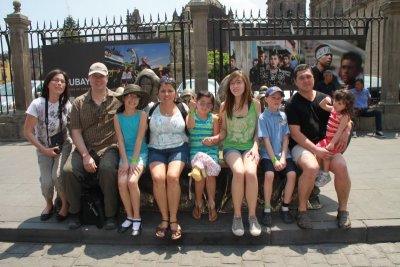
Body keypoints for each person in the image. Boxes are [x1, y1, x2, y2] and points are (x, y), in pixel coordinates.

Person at [285, 64, 352, 230]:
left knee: (342, 166)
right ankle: (302, 210)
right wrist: (316, 151)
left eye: (308, 76)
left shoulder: (326, 98)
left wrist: (347, 130)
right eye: (301, 77)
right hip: (303, 146)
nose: (306, 80)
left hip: (327, 145)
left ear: (314, 78)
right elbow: (295, 134)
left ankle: (342, 210)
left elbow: (345, 115)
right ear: (295, 81)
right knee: (311, 166)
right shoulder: (292, 103)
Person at [63, 62, 121, 230]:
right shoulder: (79, 103)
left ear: (107, 78)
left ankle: (111, 215)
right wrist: (85, 155)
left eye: (101, 76)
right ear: (88, 78)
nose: (98, 79)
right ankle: (75, 213)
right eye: (94, 76)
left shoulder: (117, 101)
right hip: (85, 147)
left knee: (108, 169)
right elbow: (75, 131)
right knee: (68, 171)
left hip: (109, 146)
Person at [24, 69, 72, 222]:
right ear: (48, 84)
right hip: (43, 148)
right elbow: (28, 132)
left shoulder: (67, 104)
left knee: (57, 177)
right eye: (56, 80)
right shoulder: (37, 104)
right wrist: (44, 150)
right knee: (46, 182)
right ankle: (49, 204)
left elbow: (74, 129)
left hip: (63, 146)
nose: (59, 83)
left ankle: (64, 205)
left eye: (62, 81)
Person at [219, 70, 262, 237]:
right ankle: (237, 215)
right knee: (239, 172)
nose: (235, 86)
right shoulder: (224, 106)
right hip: (231, 147)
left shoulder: (255, 104)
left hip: (250, 146)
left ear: (246, 84)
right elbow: (223, 130)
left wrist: (256, 147)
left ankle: (252, 216)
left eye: (239, 82)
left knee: (250, 173)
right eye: (232, 83)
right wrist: (216, 138)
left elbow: (259, 130)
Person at [147, 77, 189, 240]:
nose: (166, 94)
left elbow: (192, 126)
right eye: (163, 91)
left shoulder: (182, 107)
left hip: (178, 147)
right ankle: (164, 218)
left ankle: (174, 219)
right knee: (158, 178)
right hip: (156, 148)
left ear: (175, 93)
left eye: (170, 90)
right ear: (158, 93)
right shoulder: (150, 108)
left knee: (172, 177)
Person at [114, 84, 150, 236]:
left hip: (140, 153)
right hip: (125, 155)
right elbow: (120, 140)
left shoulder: (142, 115)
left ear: (139, 100)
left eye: (136, 97)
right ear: (123, 99)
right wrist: (125, 161)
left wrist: (133, 161)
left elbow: (140, 139)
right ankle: (129, 215)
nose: (132, 99)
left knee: (131, 181)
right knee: (122, 183)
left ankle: (137, 218)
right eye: (129, 96)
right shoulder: (117, 117)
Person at [258, 86, 296, 227]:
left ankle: (285, 207)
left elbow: (286, 138)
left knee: (292, 175)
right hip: (268, 155)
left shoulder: (283, 116)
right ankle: (267, 208)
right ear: (266, 99)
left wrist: (283, 157)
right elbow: (265, 140)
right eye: (273, 97)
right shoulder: (262, 117)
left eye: (279, 98)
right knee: (269, 175)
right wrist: (274, 159)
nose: (276, 100)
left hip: (283, 154)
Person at [186, 91, 220, 222]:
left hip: (210, 151)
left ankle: (211, 204)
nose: (205, 106)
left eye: (208, 104)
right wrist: (191, 110)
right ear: (196, 102)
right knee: (199, 174)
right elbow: (190, 127)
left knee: (210, 174)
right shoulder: (191, 115)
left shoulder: (214, 119)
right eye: (202, 103)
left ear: (212, 106)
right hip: (196, 151)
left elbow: (216, 137)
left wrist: (211, 140)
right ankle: (198, 203)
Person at [316, 89, 354, 187]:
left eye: (340, 103)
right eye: (335, 101)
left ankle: (325, 174)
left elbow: (339, 131)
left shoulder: (344, 116)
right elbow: (322, 105)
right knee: (317, 151)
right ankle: (318, 171)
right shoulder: (334, 109)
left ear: (346, 105)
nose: (336, 104)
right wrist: (327, 100)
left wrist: (332, 143)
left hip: (333, 140)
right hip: (327, 138)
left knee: (326, 155)